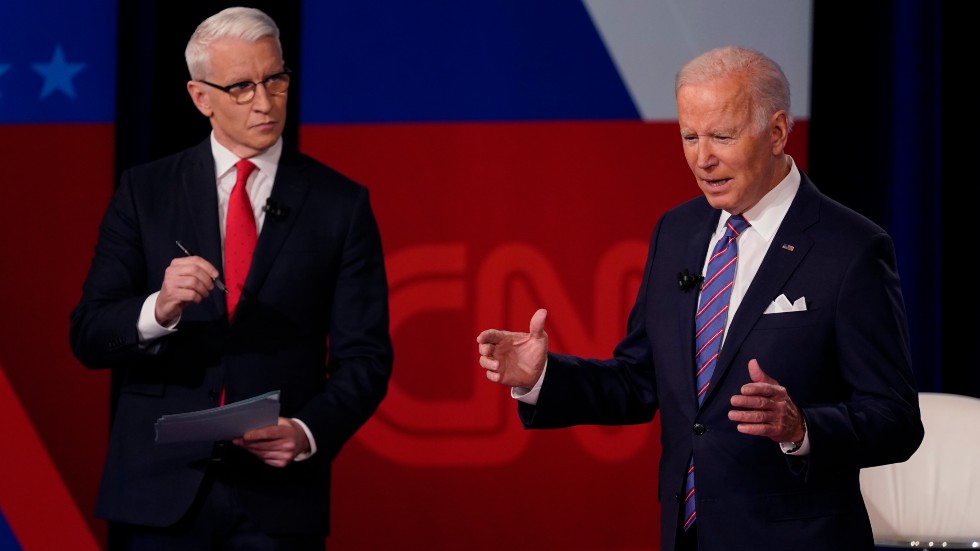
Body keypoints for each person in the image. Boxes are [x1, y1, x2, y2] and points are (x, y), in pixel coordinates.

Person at [476, 45, 923, 551]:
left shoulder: (850, 248)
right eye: (690, 136)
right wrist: (541, 378)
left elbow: (896, 420)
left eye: (722, 136)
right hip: (687, 535)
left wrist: (802, 429)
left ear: (777, 132)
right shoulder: (678, 231)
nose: (701, 157)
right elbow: (638, 380)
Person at [69, 7, 392, 549]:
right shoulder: (145, 191)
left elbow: (367, 358)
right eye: (241, 87)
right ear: (201, 98)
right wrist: (160, 308)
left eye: (276, 79)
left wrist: (307, 432)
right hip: (157, 493)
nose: (265, 102)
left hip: (278, 501)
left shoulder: (342, 205)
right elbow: (89, 334)